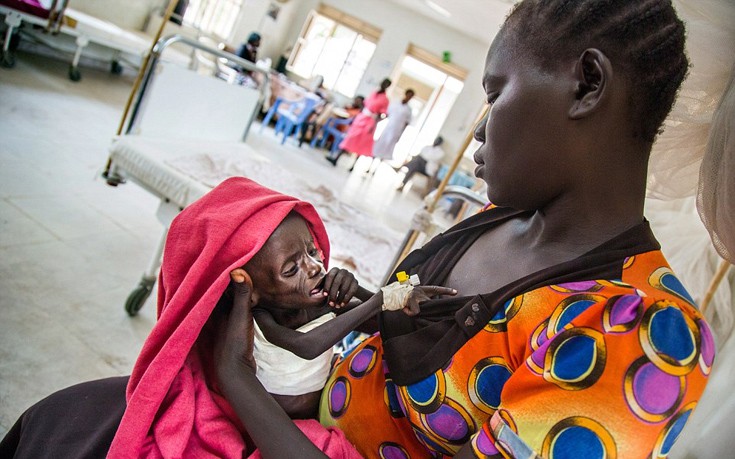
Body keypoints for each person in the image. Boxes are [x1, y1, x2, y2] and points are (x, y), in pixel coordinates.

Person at [212, 1, 714, 457]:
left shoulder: (642, 334)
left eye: (495, 95)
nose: (478, 128)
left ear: (586, 84)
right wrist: (344, 304)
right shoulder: (503, 217)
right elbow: (404, 325)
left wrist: (237, 380)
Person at [0, 177, 454, 458]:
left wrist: (356, 292)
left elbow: (367, 322)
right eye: (292, 268)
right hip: (283, 414)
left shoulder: (314, 296)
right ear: (250, 290)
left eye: (313, 252)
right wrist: (376, 303)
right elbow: (311, 345)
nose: (314, 267)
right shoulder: (261, 320)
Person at [326, 78, 392, 171]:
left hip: (370, 123)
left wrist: (375, 120)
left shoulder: (385, 100)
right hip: (361, 119)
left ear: (388, 86)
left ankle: (353, 166)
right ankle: (336, 159)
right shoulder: (374, 93)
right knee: (349, 139)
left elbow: (384, 114)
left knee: (362, 144)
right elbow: (364, 105)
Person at [368, 89, 415, 175]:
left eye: (411, 96)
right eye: (408, 95)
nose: (409, 97)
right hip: (387, 128)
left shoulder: (409, 110)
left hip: (396, 132)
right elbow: (387, 114)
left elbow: (406, 123)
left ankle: (375, 170)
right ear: (405, 94)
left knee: (386, 150)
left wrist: (400, 135)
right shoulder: (395, 103)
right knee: (379, 146)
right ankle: (370, 166)